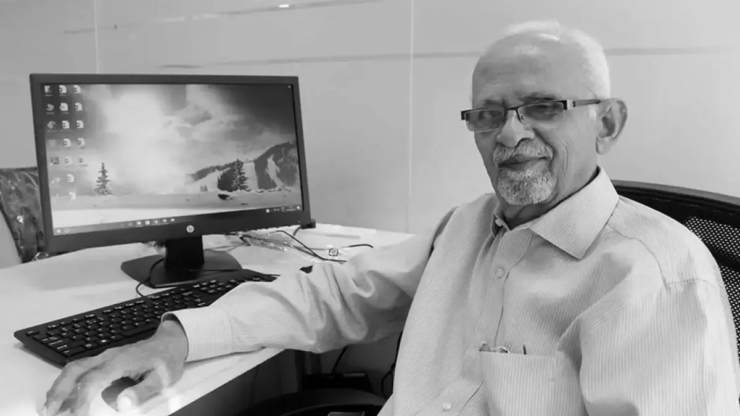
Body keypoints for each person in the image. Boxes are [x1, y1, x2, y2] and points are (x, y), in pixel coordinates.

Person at [41, 20, 740, 416]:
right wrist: (178, 335)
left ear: (607, 124)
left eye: (542, 107)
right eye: (489, 114)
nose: (510, 133)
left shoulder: (656, 280)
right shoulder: (468, 226)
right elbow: (337, 293)